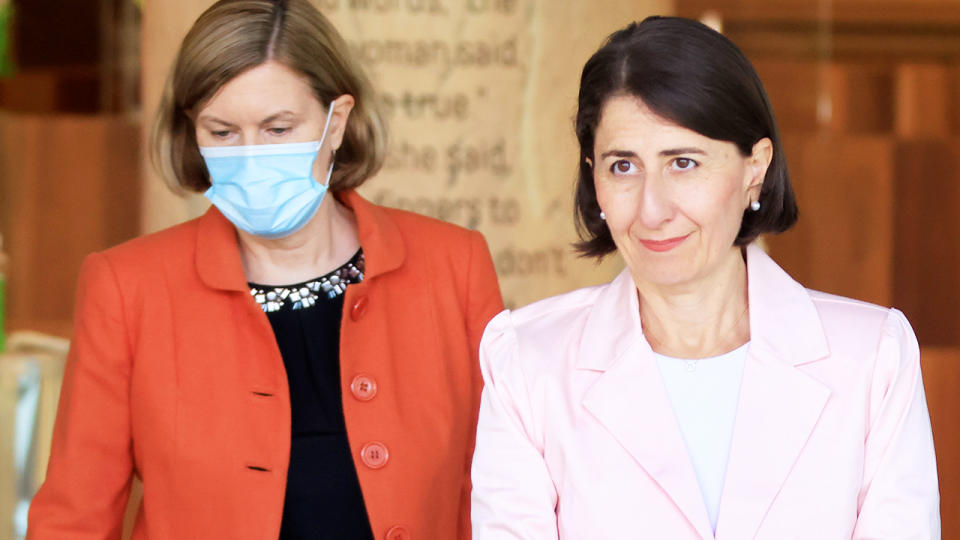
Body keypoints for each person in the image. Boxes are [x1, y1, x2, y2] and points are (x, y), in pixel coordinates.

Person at [27, 1, 503, 539]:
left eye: (278, 129)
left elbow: (506, 496)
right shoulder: (126, 288)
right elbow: (74, 519)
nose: (251, 156)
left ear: (336, 122)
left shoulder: (452, 266)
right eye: (223, 133)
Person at [470, 16, 939, 540]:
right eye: (622, 166)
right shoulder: (528, 360)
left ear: (754, 168)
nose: (651, 210)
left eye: (684, 163)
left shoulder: (872, 357)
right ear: (592, 174)